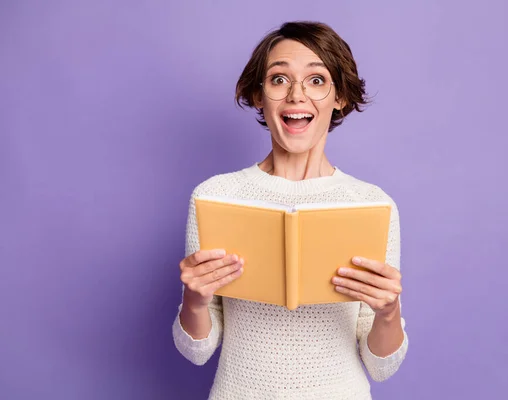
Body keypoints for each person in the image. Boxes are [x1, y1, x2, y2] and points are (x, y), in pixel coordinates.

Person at [172, 21, 409, 399]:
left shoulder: (372, 205)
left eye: (317, 81)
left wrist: (389, 312)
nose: (297, 95)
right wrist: (194, 300)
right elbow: (197, 350)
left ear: (340, 97)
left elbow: (381, 366)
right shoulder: (216, 196)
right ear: (258, 96)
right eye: (279, 79)